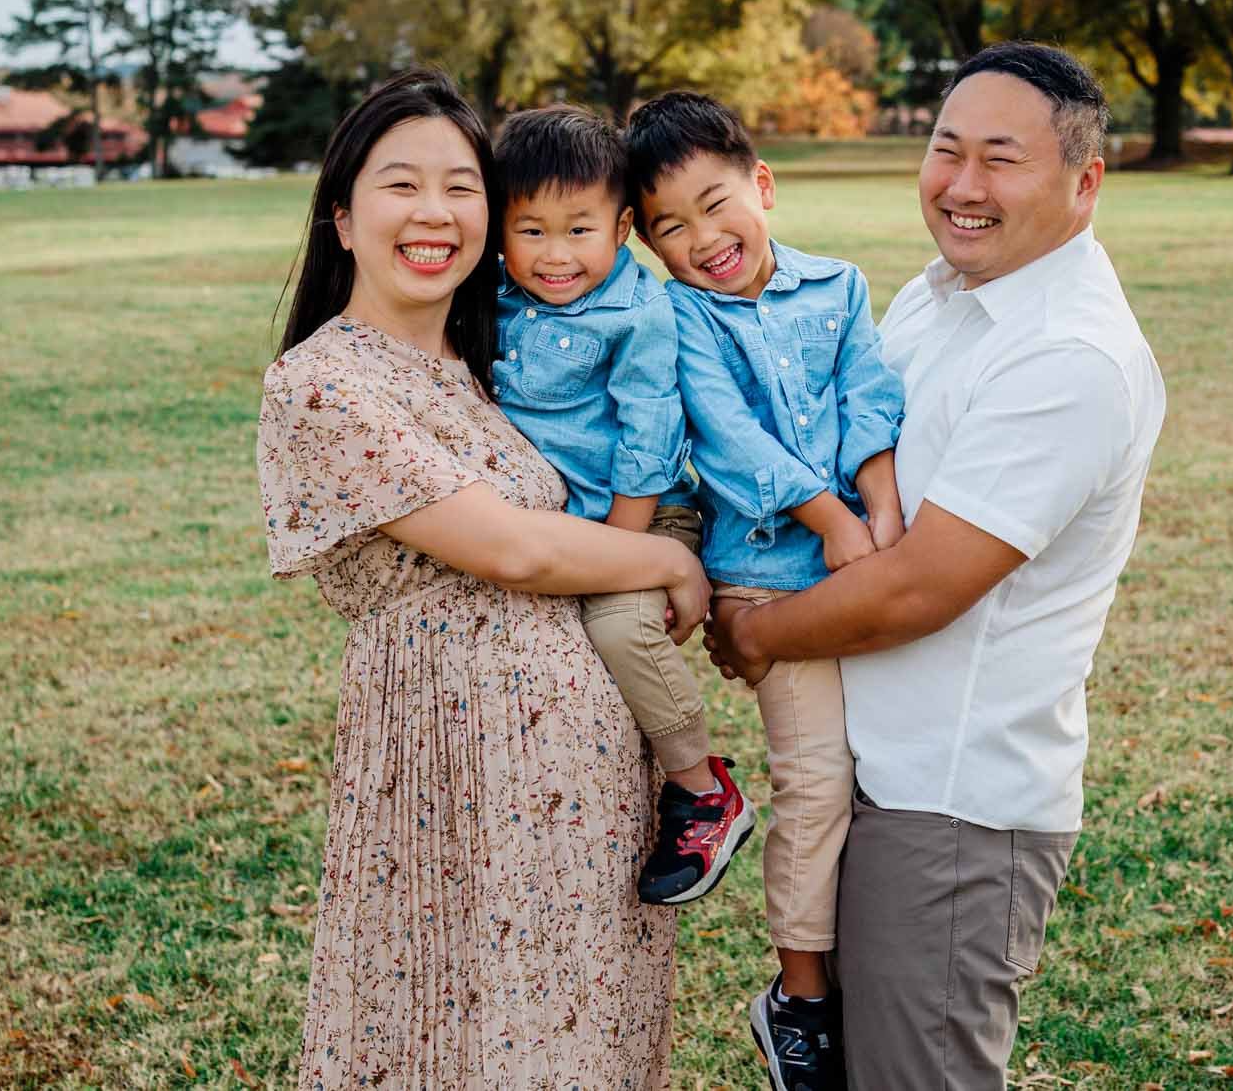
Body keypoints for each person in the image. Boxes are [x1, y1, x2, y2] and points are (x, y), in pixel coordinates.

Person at [704, 43, 1166, 1089]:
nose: (960, 185)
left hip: (953, 811)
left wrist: (754, 635)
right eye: (943, 150)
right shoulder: (941, 295)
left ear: (1083, 183)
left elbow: (920, 587)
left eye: (999, 160)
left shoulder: (1067, 357)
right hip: (878, 778)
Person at [254, 68, 708, 1090]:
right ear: (340, 217)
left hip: (584, 787)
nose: (434, 212)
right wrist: (668, 557)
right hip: (446, 776)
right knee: (440, 1028)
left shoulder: (496, 359)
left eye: (460, 186)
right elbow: (516, 550)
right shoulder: (324, 385)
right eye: (400, 184)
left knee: (580, 1030)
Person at [628, 91, 908, 1091]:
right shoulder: (677, 315)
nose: (703, 238)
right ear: (648, 245)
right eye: (670, 225)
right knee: (814, 784)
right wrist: (832, 523)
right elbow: (725, 440)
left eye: (715, 203)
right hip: (766, 583)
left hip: (863, 558)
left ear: (763, 185)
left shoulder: (838, 286)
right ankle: (798, 996)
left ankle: (858, 958)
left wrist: (876, 504)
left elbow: (869, 392)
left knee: (878, 778)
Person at [487, 104, 755, 906]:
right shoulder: (496, 295)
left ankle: (703, 788)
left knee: (618, 622)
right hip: (557, 522)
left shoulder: (640, 311)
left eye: (579, 230)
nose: (555, 254)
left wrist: (619, 549)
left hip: (641, 512)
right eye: (530, 231)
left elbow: (649, 434)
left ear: (624, 227)